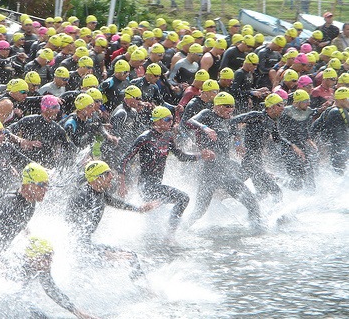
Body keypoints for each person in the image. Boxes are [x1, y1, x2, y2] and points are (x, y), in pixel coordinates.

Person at [119, 106, 213, 237]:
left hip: (157, 185)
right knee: (183, 198)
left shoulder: (168, 137)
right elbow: (124, 159)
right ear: (157, 122)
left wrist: (200, 155)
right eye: (167, 119)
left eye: (171, 119)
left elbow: (181, 156)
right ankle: (170, 235)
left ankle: (161, 234)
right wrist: (122, 183)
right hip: (146, 186)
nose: (171, 122)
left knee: (171, 205)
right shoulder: (144, 138)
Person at [67, 161, 158, 278]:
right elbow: (74, 238)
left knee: (131, 256)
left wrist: (139, 209)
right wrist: (105, 254)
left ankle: (145, 289)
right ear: (96, 178)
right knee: (128, 258)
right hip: (79, 253)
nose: (112, 176)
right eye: (107, 173)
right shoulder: (82, 198)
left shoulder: (99, 192)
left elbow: (115, 202)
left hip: (88, 247)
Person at [186, 92, 262, 229]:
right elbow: (190, 121)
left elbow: (236, 134)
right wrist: (206, 128)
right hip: (208, 173)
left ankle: (256, 228)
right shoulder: (207, 114)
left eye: (232, 106)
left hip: (224, 171)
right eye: (227, 106)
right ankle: (179, 229)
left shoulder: (228, 120)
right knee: (199, 211)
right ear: (218, 106)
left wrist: (239, 146)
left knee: (252, 202)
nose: (231, 109)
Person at [6, 237, 102, 319]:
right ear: (34, 258)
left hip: (14, 297)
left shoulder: (41, 267)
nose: (50, 261)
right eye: (47, 256)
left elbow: (52, 290)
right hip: (6, 296)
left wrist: (76, 311)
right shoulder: (16, 266)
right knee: (35, 314)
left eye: (51, 256)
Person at [0, 162, 49, 252]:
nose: (45, 190)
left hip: (1, 251)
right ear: (29, 184)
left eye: (47, 185)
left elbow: (18, 223)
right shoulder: (7, 203)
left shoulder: (30, 202)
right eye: (42, 185)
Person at [324, 87, 349, 174]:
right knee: (340, 174)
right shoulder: (336, 111)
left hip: (340, 148)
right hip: (338, 149)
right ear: (341, 100)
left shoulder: (330, 110)